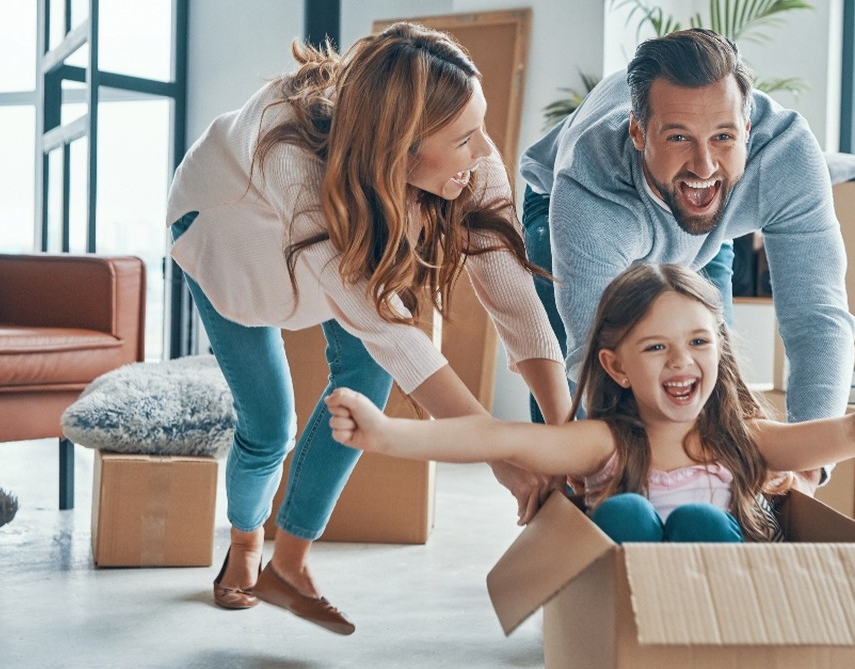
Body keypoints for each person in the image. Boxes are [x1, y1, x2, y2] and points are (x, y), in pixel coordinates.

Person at [165, 23, 571, 635]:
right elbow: (396, 334)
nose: (486, 153)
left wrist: (562, 438)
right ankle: (246, 542)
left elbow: (515, 298)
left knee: (364, 387)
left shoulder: (467, 165)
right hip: (229, 246)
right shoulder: (294, 163)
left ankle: (291, 565)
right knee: (269, 425)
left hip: (335, 248)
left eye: (480, 127)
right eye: (465, 139)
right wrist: (503, 456)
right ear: (402, 149)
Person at [325, 264, 855, 544]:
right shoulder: (604, 440)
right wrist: (388, 434)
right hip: (622, 620)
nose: (682, 362)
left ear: (720, 350)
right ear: (614, 365)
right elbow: (499, 439)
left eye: (699, 342)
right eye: (656, 348)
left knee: (704, 516)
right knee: (629, 512)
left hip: (717, 619)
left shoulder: (747, 442)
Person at [519, 28, 855, 494]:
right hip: (563, 205)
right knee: (574, 431)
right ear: (638, 133)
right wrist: (632, 473)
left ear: (748, 130)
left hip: (704, 228)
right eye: (679, 137)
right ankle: (564, 514)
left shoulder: (786, 159)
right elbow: (595, 355)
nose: (703, 163)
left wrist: (807, 466)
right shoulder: (589, 180)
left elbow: (818, 318)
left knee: (715, 381)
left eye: (723, 137)